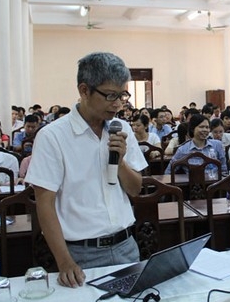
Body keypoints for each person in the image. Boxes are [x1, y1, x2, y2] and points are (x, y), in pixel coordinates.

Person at [25, 52, 148, 288]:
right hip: (81, 253)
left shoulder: (121, 129)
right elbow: (45, 204)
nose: (118, 104)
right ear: (84, 90)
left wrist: (121, 161)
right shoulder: (53, 136)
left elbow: (135, 189)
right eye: (110, 95)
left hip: (126, 246)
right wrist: (64, 261)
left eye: (123, 95)